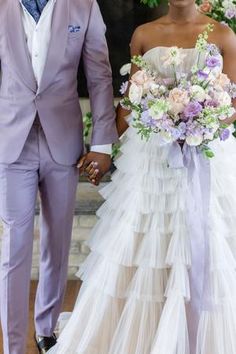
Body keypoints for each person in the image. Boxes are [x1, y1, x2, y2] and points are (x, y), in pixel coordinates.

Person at [48, 0, 236, 353]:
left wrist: (199, 120)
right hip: (152, 163)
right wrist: (103, 150)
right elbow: (130, 103)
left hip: (204, 159)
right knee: (141, 244)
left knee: (207, 242)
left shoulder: (223, 35)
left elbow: (233, 104)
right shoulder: (144, 35)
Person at [0, 0, 118, 353]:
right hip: (11, 143)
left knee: (57, 242)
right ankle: (13, 344)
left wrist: (103, 144)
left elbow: (99, 75)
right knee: (13, 247)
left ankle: (46, 330)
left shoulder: (84, 6)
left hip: (63, 143)